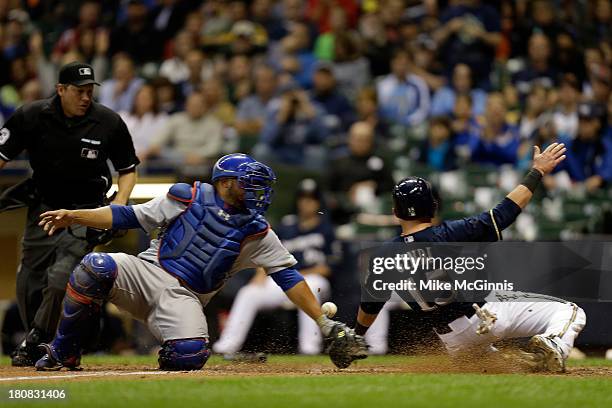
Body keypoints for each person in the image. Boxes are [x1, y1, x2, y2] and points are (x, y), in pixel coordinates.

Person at [34, 154, 366, 371]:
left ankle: (165, 354)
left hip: (184, 297)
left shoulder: (258, 231)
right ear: (224, 183)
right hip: (147, 271)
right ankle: (65, 350)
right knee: (95, 267)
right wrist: (76, 215)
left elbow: (289, 278)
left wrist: (323, 323)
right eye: (248, 183)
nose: (257, 191)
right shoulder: (186, 195)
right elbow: (129, 215)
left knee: (190, 354)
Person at [351, 142, 586, 372]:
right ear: (433, 208)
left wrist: (355, 337)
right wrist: (537, 171)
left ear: (395, 213)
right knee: (570, 312)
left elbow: (371, 304)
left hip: (454, 342)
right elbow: (504, 213)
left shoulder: (383, 256)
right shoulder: (451, 234)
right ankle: (555, 343)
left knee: (507, 368)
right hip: (486, 317)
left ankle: (531, 361)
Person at [0, 61, 139, 366]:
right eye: (79, 91)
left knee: (61, 277)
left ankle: (37, 340)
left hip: (85, 212)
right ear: (61, 90)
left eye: (90, 91)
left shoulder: (108, 122)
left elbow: (128, 170)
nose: (86, 97)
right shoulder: (31, 115)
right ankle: (39, 338)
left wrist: (120, 203)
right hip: (43, 209)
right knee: (29, 281)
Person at [213, 179, 336, 355]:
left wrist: (296, 277)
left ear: (318, 202)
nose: (306, 203)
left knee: (311, 285)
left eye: (311, 199)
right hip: (282, 279)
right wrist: (260, 273)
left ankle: (310, 348)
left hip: (313, 279)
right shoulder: (287, 226)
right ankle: (226, 345)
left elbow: (327, 268)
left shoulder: (326, 229)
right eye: (303, 198)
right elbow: (266, 252)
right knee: (250, 292)